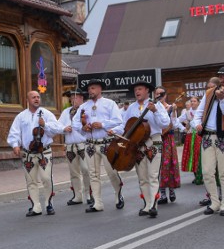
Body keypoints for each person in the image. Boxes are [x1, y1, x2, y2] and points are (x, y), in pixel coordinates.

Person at [192, 66, 224, 216]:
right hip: (208, 135)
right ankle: (214, 202)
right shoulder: (209, 93)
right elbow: (198, 113)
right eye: (221, 77)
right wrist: (197, 124)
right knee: (207, 171)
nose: (222, 80)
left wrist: (222, 99)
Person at [8, 90, 63, 217]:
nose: (36, 99)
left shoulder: (47, 114)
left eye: (38, 97)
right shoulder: (21, 116)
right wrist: (15, 145)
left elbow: (57, 128)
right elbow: (14, 132)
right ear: (28, 100)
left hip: (44, 152)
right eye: (33, 97)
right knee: (31, 180)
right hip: (28, 153)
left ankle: (49, 203)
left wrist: (46, 125)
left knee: (46, 178)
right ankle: (36, 206)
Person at [72, 79, 125, 213]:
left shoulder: (110, 104)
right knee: (93, 174)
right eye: (89, 88)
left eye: (93, 88)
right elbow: (75, 124)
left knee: (111, 171)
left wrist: (102, 124)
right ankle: (97, 202)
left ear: (100, 89)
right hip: (90, 144)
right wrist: (84, 127)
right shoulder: (84, 106)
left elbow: (118, 121)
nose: (91, 91)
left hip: (106, 142)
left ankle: (118, 193)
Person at [122, 81, 169, 218]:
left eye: (140, 89)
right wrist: (114, 131)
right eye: (136, 89)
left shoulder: (157, 105)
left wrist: (155, 111)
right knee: (142, 177)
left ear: (147, 91)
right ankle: (147, 205)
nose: (137, 91)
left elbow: (164, 123)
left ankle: (154, 205)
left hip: (153, 141)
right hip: (137, 145)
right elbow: (125, 125)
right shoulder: (131, 108)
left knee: (153, 175)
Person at [58, 90, 92, 207]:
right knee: (74, 172)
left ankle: (89, 194)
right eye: (72, 98)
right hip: (70, 145)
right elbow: (58, 125)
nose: (73, 100)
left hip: (83, 144)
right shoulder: (65, 112)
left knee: (86, 170)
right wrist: (64, 128)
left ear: (82, 99)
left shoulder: (86, 110)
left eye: (76, 97)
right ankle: (77, 196)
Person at [154, 86, 180, 205]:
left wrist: (174, 111)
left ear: (165, 95)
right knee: (158, 166)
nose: (158, 96)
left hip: (168, 139)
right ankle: (162, 193)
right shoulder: (153, 108)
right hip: (157, 138)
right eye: (156, 94)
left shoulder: (170, 108)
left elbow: (174, 125)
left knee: (168, 164)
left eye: (161, 94)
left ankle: (172, 190)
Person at [180, 96, 202, 185]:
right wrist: (183, 128)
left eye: (194, 101)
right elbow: (177, 121)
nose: (192, 102)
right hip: (190, 136)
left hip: (199, 136)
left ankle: (201, 175)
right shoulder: (187, 113)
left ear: (198, 103)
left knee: (199, 155)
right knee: (192, 156)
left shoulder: (202, 112)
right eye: (191, 101)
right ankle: (196, 175)